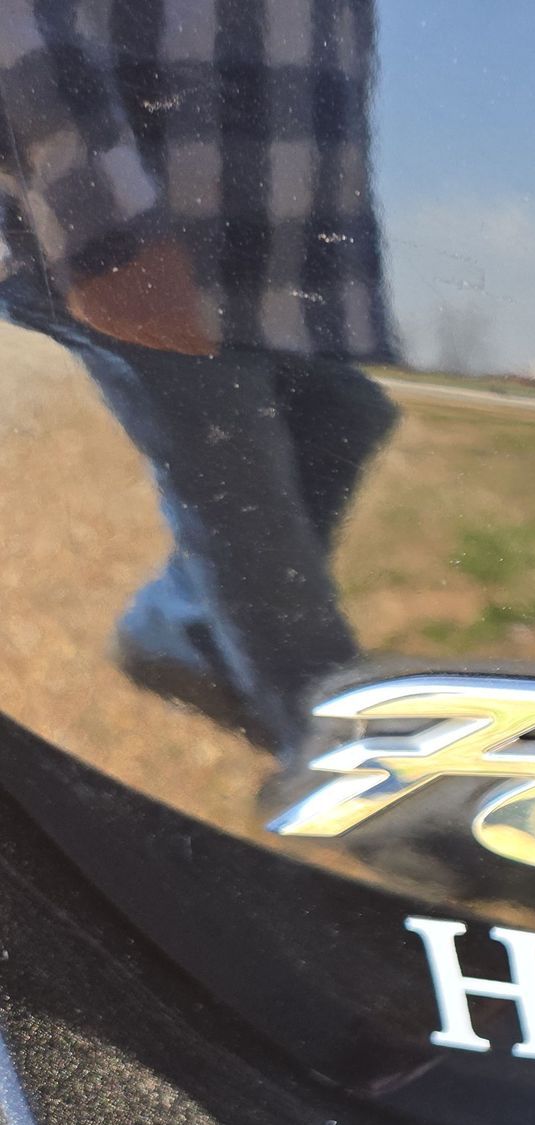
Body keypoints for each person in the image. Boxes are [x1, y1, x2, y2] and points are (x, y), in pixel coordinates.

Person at [0, 0, 396, 754]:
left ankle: (175, 630)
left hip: (276, 257)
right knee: (250, 513)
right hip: (129, 236)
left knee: (350, 414)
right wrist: (97, 217)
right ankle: (345, 764)